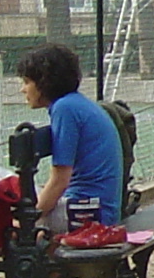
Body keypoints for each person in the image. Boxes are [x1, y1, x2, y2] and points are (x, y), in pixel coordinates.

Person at [16, 42, 126, 226]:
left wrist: (27, 222)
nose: (23, 89)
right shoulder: (77, 104)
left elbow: (60, 180)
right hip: (100, 207)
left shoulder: (65, 108)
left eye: (27, 82)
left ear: (44, 81)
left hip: (87, 213)